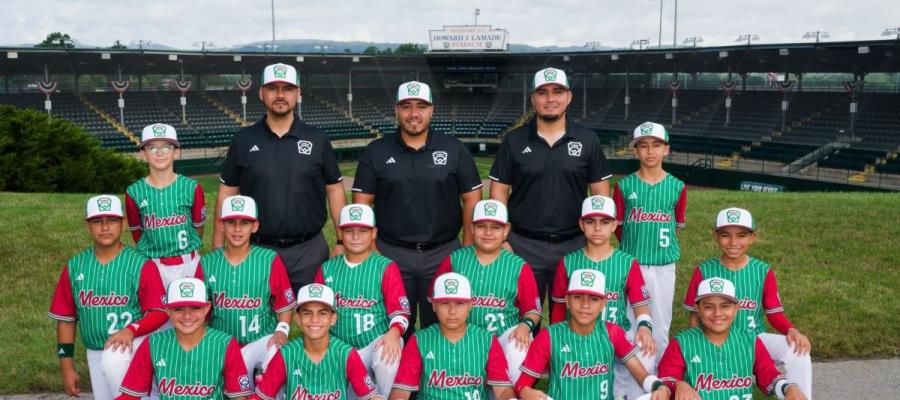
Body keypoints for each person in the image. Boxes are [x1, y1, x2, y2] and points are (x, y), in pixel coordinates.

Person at [352, 81, 482, 335]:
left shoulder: (453, 149)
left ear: (432, 110)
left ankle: (441, 374)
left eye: (421, 106)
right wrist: (373, 251)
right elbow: (362, 204)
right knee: (395, 327)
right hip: (391, 253)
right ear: (396, 110)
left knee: (445, 327)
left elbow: (472, 200)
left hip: (443, 252)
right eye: (406, 106)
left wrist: (466, 247)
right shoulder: (376, 151)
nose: (414, 113)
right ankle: (401, 375)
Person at [216, 62, 346, 293]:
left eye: (287, 88)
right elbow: (227, 192)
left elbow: (334, 189)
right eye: (272, 88)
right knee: (256, 319)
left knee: (314, 322)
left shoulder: (317, 139)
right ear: (261, 93)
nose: (280, 95)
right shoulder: (243, 139)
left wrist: (341, 241)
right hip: (256, 249)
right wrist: (218, 246)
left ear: (297, 93)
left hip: (309, 250)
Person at [489, 67, 613, 304]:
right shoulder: (514, 140)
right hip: (522, 244)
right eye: (543, 92)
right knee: (520, 322)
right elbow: (499, 193)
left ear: (568, 96)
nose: (550, 99)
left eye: (557, 91)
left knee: (572, 321)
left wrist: (597, 238)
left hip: (574, 245)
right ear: (533, 98)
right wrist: (502, 239)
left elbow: (600, 195)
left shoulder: (587, 139)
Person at [681, 207, 812, 397]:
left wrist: (791, 330)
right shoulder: (704, 270)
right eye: (725, 235)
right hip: (714, 341)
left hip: (754, 339)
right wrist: (697, 344)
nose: (733, 242)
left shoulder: (762, 270)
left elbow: (774, 314)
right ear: (715, 236)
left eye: (741, 235)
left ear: (752, 237)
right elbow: (694, 317)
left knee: (798, 351)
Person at [49, 194, 168, 400]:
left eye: (111, 220)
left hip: (133, 348)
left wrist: (131, 330)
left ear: (121, 223)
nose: (105, 227)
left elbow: (160, 311)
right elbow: (66, 319)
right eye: (97, 221)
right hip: (95, 351)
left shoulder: (140, 264)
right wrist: (66, 367)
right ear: (88, 226)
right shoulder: (75, 266)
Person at [549, 195, 655, 400]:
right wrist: (557, 340)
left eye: (604, 222)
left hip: (618, 336)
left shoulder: (627, 262)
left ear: (614, 225)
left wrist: (644, 328)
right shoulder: (568, 262)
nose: (597, 228)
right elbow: (560, 308)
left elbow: (640, 305)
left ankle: (630, 394)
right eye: (591, 222)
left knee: (645, 351)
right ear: (581, 224)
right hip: (579, 338)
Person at [430, 199, 541, 385]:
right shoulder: (455, 260)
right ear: (472, 229)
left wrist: (525, 326)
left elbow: (533, 309)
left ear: (506, 230)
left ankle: (513, 392)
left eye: (496, 227)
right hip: (462, 336)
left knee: (519, 345)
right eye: (481, 226)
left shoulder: (519, 266)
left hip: (503, 336)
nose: (488, 233)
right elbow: (435, 300)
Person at [516, 269, 668, 400]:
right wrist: (526, 392)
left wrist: (659, 386)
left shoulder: (612, 332)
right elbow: (522, 384)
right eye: (577, 297)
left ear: (603, 304)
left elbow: (640, 374)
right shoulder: (549, 336)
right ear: (567, 301)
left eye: (593, 299)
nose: (585, 305)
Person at [312, 203, 410, 398]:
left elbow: (401, 312)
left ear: (374, 233)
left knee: (387, 358)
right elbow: (315, 312)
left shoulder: (385, 266)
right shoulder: (327, 269)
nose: (356, 237)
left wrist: (393, 333)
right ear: (340, 232)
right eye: (349, 231)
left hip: (374, 341)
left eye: (363, 231)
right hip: (338, 345)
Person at [658, 277, 807, 400]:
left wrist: (789, 387)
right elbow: (665, 378)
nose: (717, 313)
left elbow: (768, 374)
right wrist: (678, 384)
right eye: (709, 307)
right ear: (698, 309)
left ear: (736, 309)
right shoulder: (682, 342)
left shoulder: (749, 340)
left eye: (725, 306)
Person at [612, 121, 687, 359]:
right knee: (631, 322)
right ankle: (629, 377)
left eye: (656, 145)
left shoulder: (677, 186)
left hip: (664, 266)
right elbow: (618, 228)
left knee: (661, 324)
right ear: (635, 151)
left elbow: (676, 227)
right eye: (643, 146)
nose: (650, 151)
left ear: (667, 149)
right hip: (632, 265)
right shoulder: (624, 186)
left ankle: (660, 378)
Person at [202, 195, 294, 386]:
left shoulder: (269, 259)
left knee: (277, 352)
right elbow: (199, 312)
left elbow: (284, 304)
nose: (237, 229)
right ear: (221, 225)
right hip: (222, 343)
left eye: (244, 223)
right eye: (231, 222)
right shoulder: (207, 263)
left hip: (261, 340)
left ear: (255, 226)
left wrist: (282, 331)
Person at [116, 278, 252, 399]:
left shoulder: (225, 343)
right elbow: (130, 395)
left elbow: (238, 397)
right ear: (167, 311)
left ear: (206, 308)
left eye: (195, 308)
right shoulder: (153, 343)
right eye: (178, 309)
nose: (187, 316)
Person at [391, 273, 516, 400]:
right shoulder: (419, 340)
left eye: (460, 303)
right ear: (434, 305)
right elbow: (401, 390)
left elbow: (503, 390)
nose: (452, 311)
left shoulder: (486, 340)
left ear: (470, 304)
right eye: (444, 303)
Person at [250, 283, 384, 400]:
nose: (314, 319)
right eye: (307, 313)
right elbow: (262, 396)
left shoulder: (346, 353)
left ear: (333, 318)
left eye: (323, 313)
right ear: (298, 318)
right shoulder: (286, 354)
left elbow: (371, 396)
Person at [125, 123, 206, 287]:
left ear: (176, 152)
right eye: (152, 147)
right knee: (156, 311)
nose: (160, 153)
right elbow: (137, 233)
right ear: (143, 154)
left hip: (188, 264)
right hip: (152, 265)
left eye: (167, 147)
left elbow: (198, 228)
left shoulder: (191, 187)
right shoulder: (134, 192)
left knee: (189, 312)